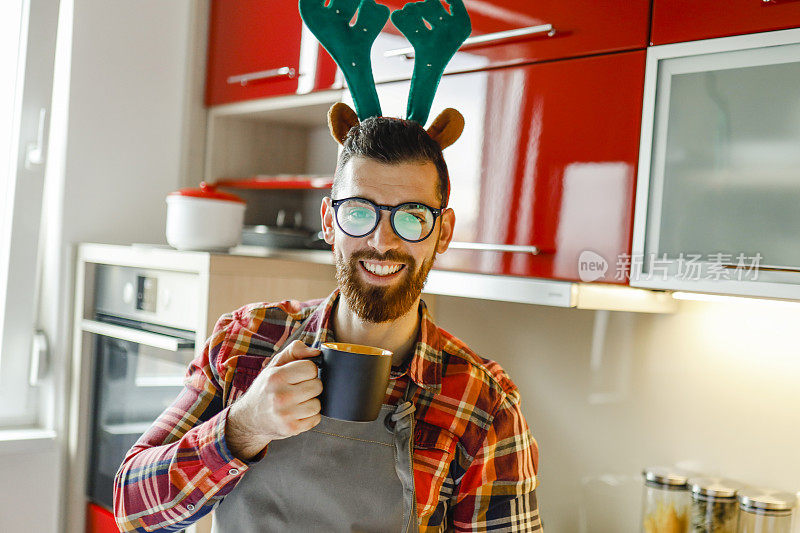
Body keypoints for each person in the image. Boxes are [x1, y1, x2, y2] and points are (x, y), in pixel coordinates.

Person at [113, 115, 542, 532]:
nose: (382, 242)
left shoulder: (484, 402)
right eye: (359, 213)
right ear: (328, 223)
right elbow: (132, 509)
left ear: (443, 232)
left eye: (412, 217)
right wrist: (244, 426)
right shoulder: (245, 341)